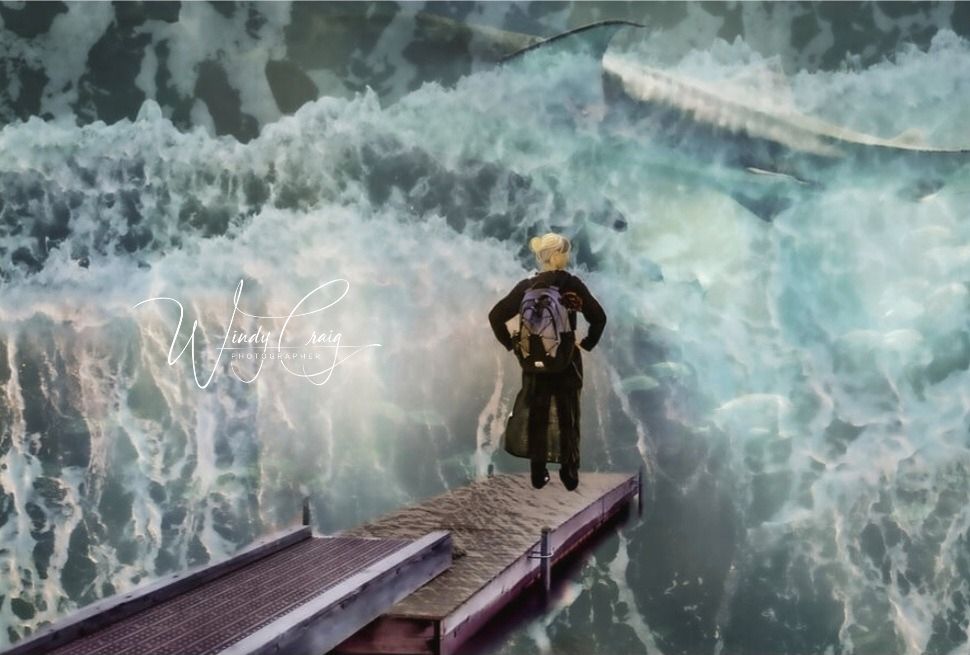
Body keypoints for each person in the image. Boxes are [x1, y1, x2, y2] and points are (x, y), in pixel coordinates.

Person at [488, 233, 607, 490]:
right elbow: (599, 317)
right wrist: (585, 344)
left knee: (537, 417)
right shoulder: (571, 283)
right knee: (568, 417)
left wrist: (513, 345)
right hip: (565, 361)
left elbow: (495, 316)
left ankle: (538, 472)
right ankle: (569, 472)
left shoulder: (526, 287)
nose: (567, 256)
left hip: (534, 364)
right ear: (554, 255)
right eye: (565, 252)